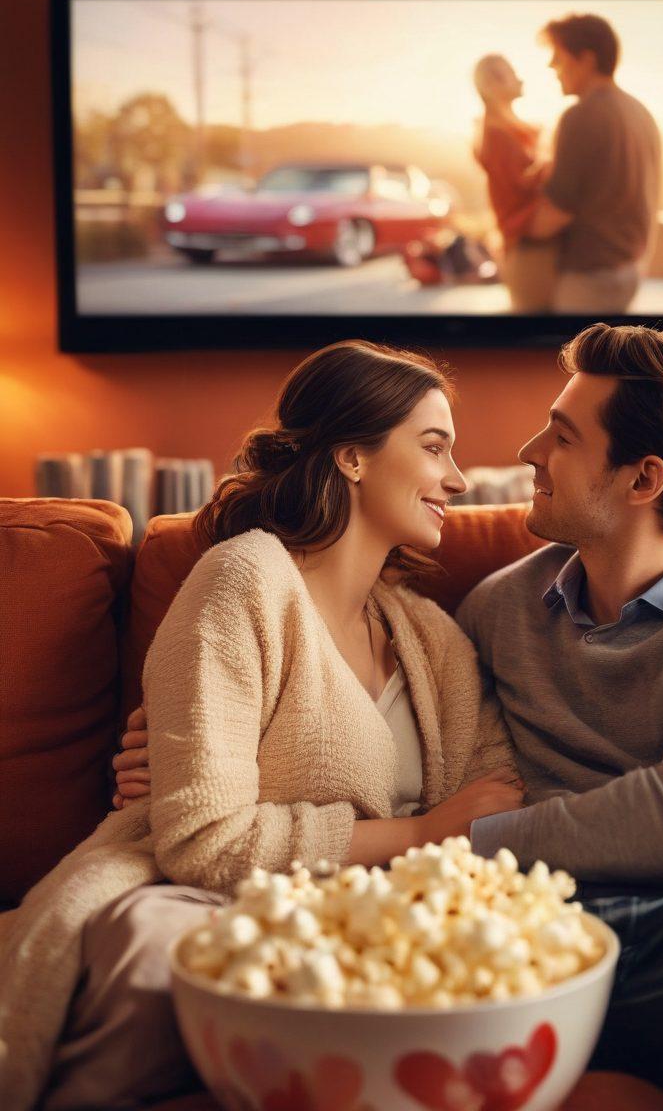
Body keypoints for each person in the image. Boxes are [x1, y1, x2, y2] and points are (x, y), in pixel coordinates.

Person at [116, 325, 663, 1107]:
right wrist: (196, 740)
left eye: (560, 436)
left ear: (642, 479)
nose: (526, 451)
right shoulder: (499, 610)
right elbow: (407, 742)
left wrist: (466, 835)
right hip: (528, 940)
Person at [0, 340, 525, 1111]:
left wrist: (436, 840)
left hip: (379, 919)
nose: (456, 478)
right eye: (434, 446)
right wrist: (422, 832)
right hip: (210, 899)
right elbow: (204, 840)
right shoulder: (244, 580)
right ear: (352, 456)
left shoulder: (430, 637)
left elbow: (502, 795)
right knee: (165, 959)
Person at [524, 15, 661, 315]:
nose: (551, 67)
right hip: (628, 272)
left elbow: (553, 217)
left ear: (586, 59)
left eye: (558, 58)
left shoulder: (581, 115)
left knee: (575, 363)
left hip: (587, 282)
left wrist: (510, 233)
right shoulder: (640, 112)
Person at [472, 53, 558, 313]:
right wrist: (557, 160)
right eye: (506, 73)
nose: (518, 77)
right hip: (526, 248)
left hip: (531, 244)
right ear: (489, 86)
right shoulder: (496, 134)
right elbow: (524, 186)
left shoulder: (512, 130)